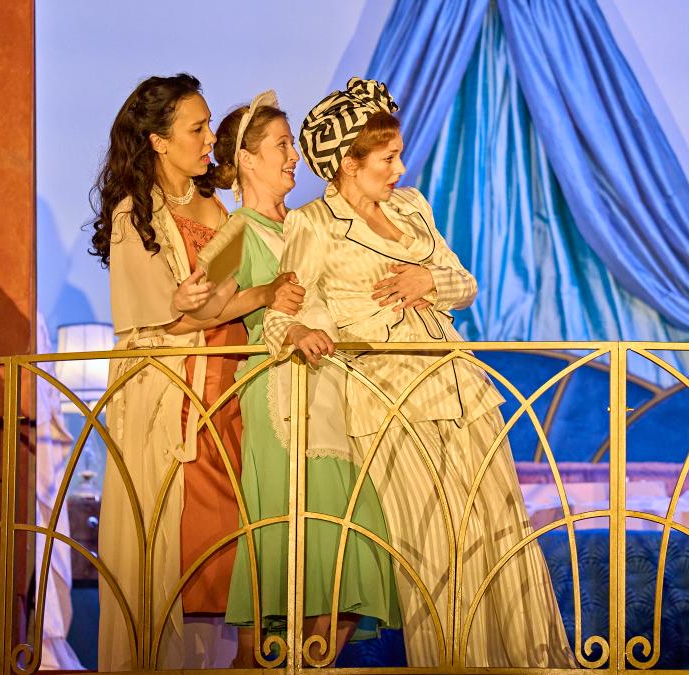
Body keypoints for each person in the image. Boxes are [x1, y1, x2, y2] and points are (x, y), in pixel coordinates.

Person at [259, 77, 573, 668]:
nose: (399, 168)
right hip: (388, 404)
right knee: (435, 551)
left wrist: (430, 280)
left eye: (399, 155)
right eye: (387, 158)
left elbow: (466, 285)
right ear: (348, 164)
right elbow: (283, 310)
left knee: (501, 538)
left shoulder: (413, 207)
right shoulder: (312, 225)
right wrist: (299, 333)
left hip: (459, 389)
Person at [89, 73, 293, 669]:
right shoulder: (135, 215)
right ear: (157, 140)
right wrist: (240, 299)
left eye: (207, 126)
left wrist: (250, 298)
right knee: (185, 546)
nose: (209, 139)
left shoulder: (211, 202)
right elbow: (159, 323)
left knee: (229, 549)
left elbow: (215, 297)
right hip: (179, 396)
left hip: (227, 381)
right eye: (196, 128)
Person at [206, 91, 400, 666]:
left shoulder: (307, 223)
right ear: (246, 159)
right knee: (291, 555)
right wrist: (265, 302)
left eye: (292, 144)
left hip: (331, 395)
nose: (294, 156)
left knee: (347, 553)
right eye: (281, 145)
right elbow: (193, 305)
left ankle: (311, 666)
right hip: (282, 398)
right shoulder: (239, 230)